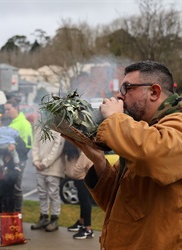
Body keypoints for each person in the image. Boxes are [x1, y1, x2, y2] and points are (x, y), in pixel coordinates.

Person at [63, 61, 182, 249]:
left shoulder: (177, 123)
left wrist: (114, 118)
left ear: (154, 92)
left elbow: (155, 157)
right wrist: (98, 159)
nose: (120, 95)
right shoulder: (141, 133)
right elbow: (118, 203)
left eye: (127, 88)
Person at [30, 127, 65, 232]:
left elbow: (57, 149)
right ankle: (43, 217)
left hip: (53, 168)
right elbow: (35, 146)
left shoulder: (58, 130)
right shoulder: (40, 130)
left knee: (53, 194)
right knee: (42, 194)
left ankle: (54, 219)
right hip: (39, 167)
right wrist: (36, 161)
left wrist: (45, 163)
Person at [4, 98, 33, 212]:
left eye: (8, 109)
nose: (6, 112)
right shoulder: (10, 122)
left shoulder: (24, 123)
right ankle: (8, 210)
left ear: (16, 108)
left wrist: (15, 156)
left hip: (18, 159)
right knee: (8, 186)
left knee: (16, 186)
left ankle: (17, 211)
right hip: (8, 159)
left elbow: (28, 145)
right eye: (5, 109)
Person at [61, 140, 94, 239]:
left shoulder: (84, 142)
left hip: (84, 177)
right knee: (82, 200)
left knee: (85, 201)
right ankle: (82, 222)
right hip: (80, 177)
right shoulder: (74, 142)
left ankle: (88, 229)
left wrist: (75, 173)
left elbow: (84, 157)